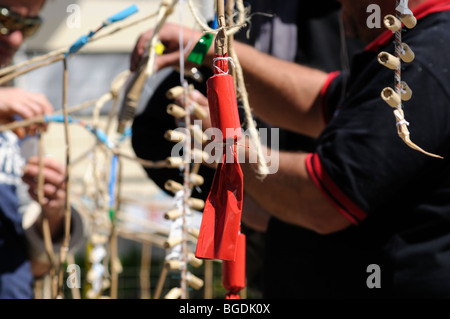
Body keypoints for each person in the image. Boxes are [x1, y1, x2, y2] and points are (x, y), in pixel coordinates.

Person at [132, 0, 450, 298]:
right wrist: (205, 47)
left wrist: (221, 146)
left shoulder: (426, 59)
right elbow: (315, 102)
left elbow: (322, 197)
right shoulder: (416, 50)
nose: (340, 8)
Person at [0, 0, 83, 299]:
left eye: (28, 25)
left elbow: (36, 263)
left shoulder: (17, 121)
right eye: (5, 18)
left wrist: (53, 211)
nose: (16, 38)